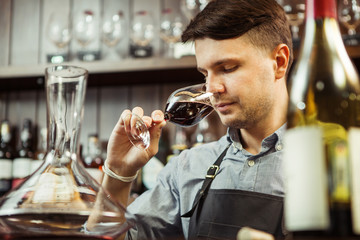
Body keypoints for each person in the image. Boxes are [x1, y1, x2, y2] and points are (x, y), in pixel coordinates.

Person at [101, 0, 293, 239]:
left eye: (228, 68)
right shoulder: (187, 168)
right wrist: (118, 175)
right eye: (205, 73)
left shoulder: (334, 162)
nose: (211, 89)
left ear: (279, 62)